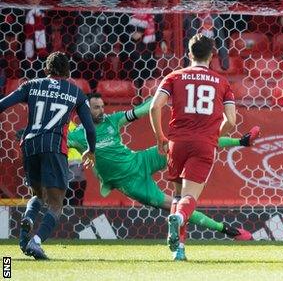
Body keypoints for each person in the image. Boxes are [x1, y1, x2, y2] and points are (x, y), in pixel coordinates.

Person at [67, 93, 258, 244]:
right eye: (96, 108)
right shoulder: (77, 136)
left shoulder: (112, 120)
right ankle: (227, 230)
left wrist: (163, 94)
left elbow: (141, 111)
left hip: (139, 160)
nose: (101, 111)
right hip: (130, 183)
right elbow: (57, 144)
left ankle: (241, 141)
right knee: (174, 208)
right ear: (84, 110)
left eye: (102, 106)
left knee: (181, 142)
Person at [150, 33, 244, 261]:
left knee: (177, 195)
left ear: (189, 54)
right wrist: (213, 135)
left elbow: (154, 107)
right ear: (212, 55)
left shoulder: (174, 76)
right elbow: (231, 121)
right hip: (203, 144)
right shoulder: (222, 82)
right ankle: (180, 219)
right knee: (189, 198)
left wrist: (160, 137)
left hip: (177, 142)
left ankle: (179, 250)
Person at [0, 52, 96, 259]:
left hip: (30, 145)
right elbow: (90, 128)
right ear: (68, 71)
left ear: (46, 70)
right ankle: (36, 241)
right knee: (56, 203)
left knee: (37, 195)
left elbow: (3, 105)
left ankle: (28, 222)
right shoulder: (76, 92)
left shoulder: (32, 85)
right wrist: (91, 150)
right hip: (54, 147)